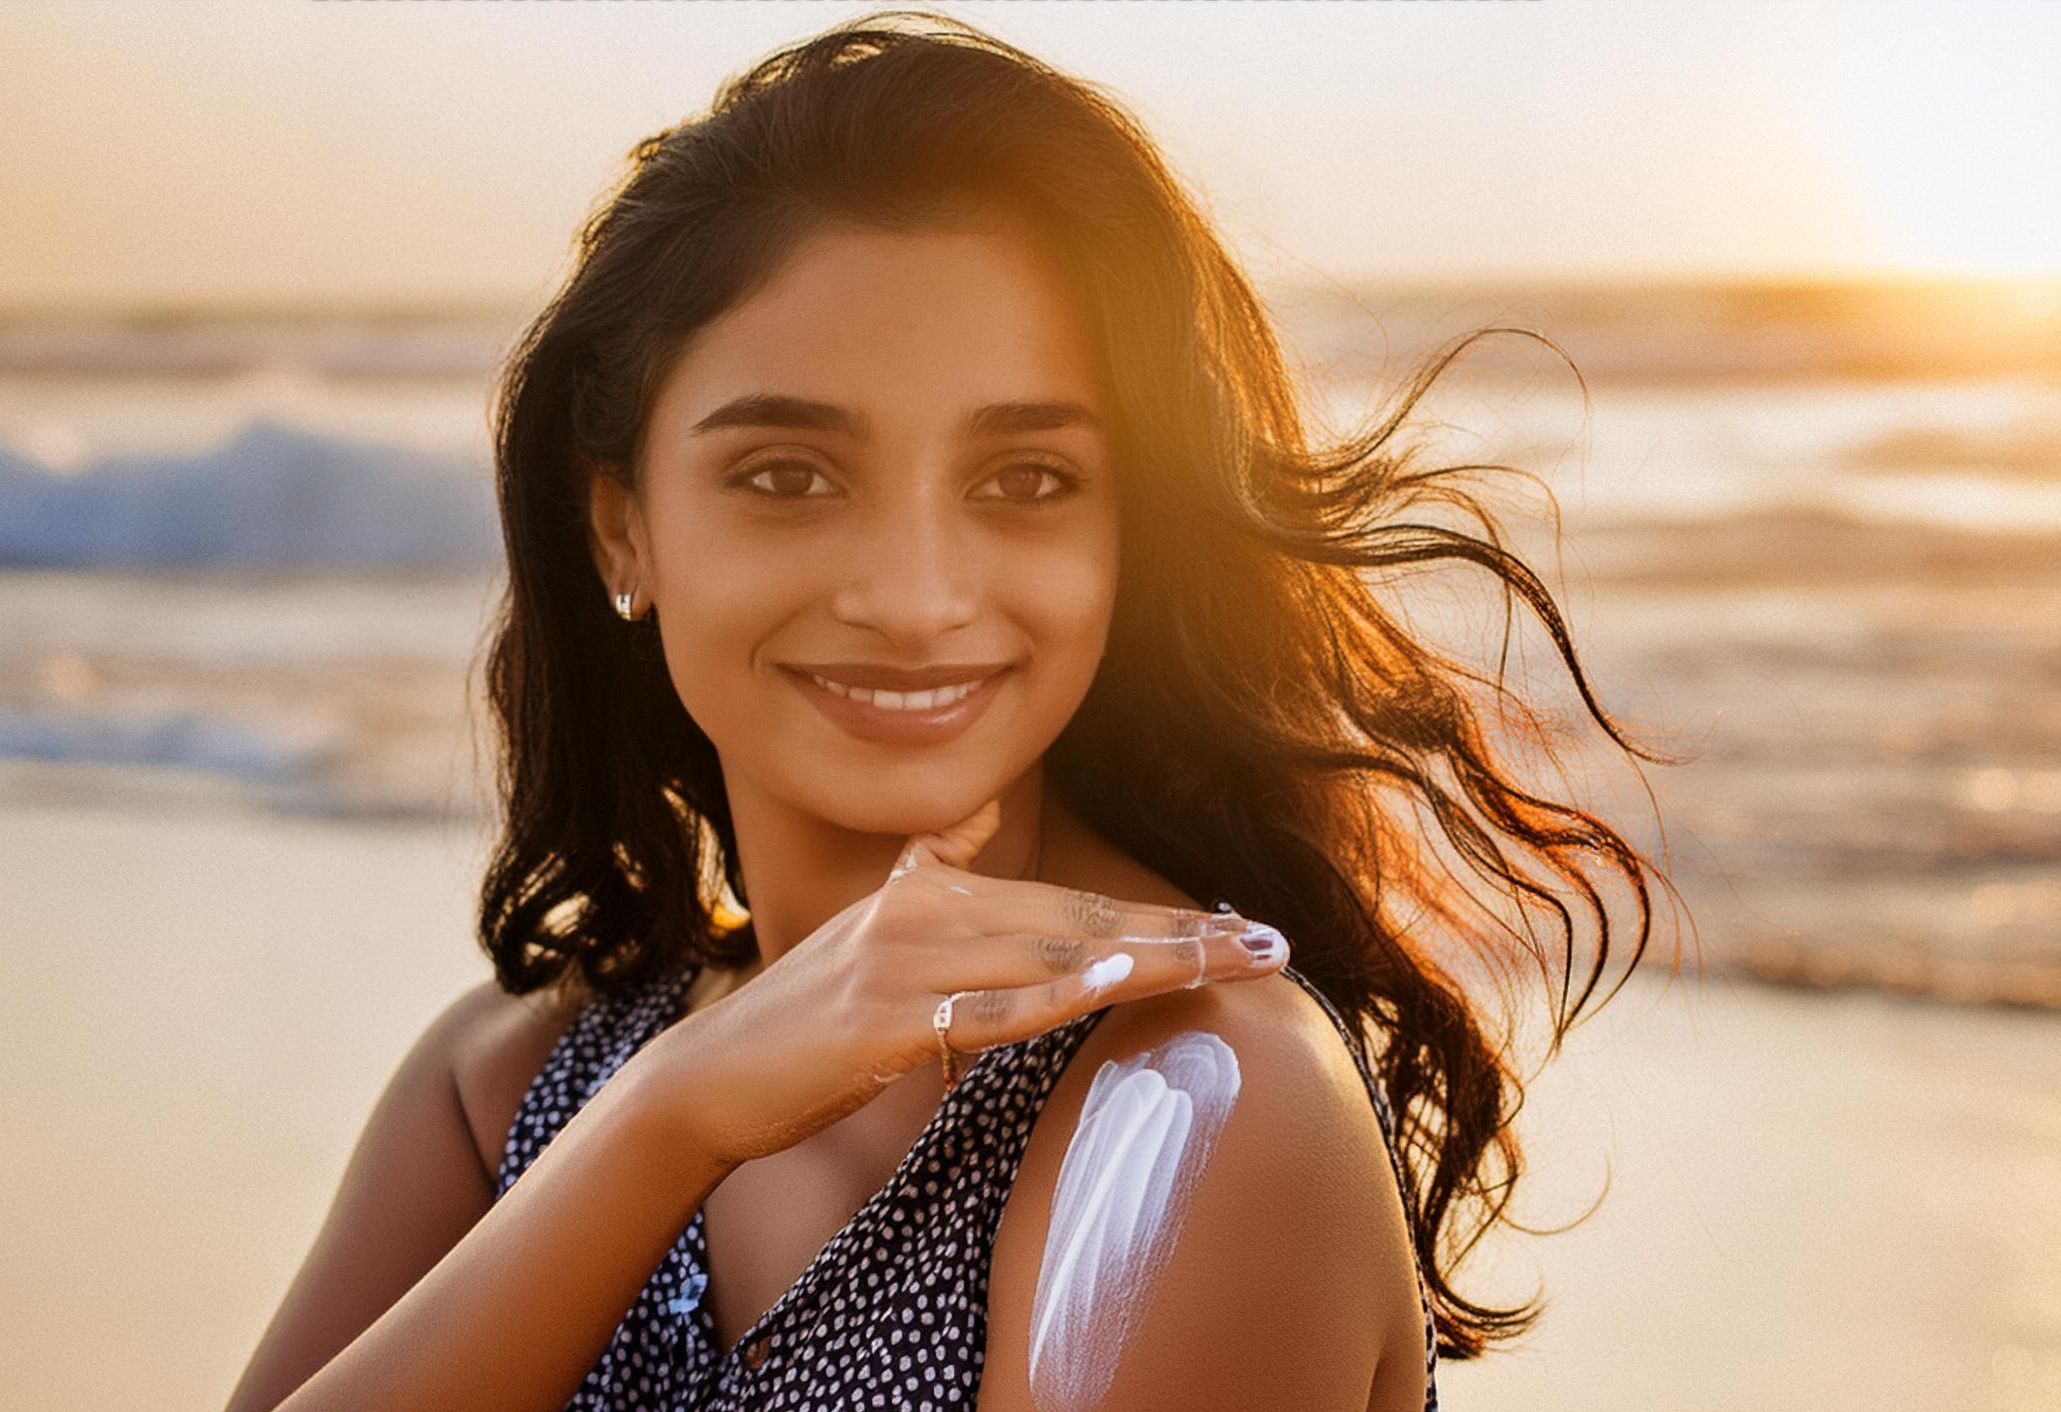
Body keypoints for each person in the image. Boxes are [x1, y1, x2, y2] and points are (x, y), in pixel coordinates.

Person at [224, 12, 1681, 1412]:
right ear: (620, 528)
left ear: (1131, 534)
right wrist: (667, 1123)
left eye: (1027, 482)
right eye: (788, 475)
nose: (917, 597)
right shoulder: (518, 1079)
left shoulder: (1193, 1100)